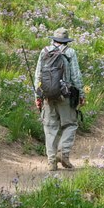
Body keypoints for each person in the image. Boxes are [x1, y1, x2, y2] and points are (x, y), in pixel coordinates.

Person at [34, 28, 85, 171]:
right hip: (66, 94)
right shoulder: (70, 53)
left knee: (50, 127)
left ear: (53, 39)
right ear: (66, 41)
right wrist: (81, 94)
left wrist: (38, 96)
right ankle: (63, 154)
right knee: (70, 125)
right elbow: (76, 76)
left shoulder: (44, 51)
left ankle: (51, 162)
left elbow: (38, 75)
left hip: (48, 95)